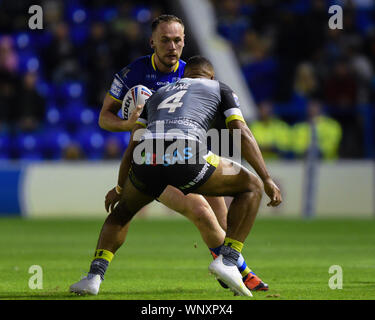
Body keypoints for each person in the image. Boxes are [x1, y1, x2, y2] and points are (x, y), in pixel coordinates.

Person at [70, 56, 282, 296]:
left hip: (145, 156)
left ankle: (93, 277)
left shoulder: (158, 95)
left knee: (122, 213)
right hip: (185, 151)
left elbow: (132, 146)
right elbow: (241, 132)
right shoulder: (219, 87)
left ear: (184, 76)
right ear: (210, 77)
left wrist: (119, 188)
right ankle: (229, 260)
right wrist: (266, 178)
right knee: (250, 186)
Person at [96, 14, 267, 291]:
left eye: (177, 40)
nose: (172, 46)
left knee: (222, 216)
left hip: (192, 154)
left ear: (184, 42)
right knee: (200, 210)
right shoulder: (133, 74)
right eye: (165, 40)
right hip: (151, 159)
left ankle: (235, 268)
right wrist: (129, 124)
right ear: (152, 42)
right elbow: (104, 117)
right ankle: (241, 273)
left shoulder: (193, 74)